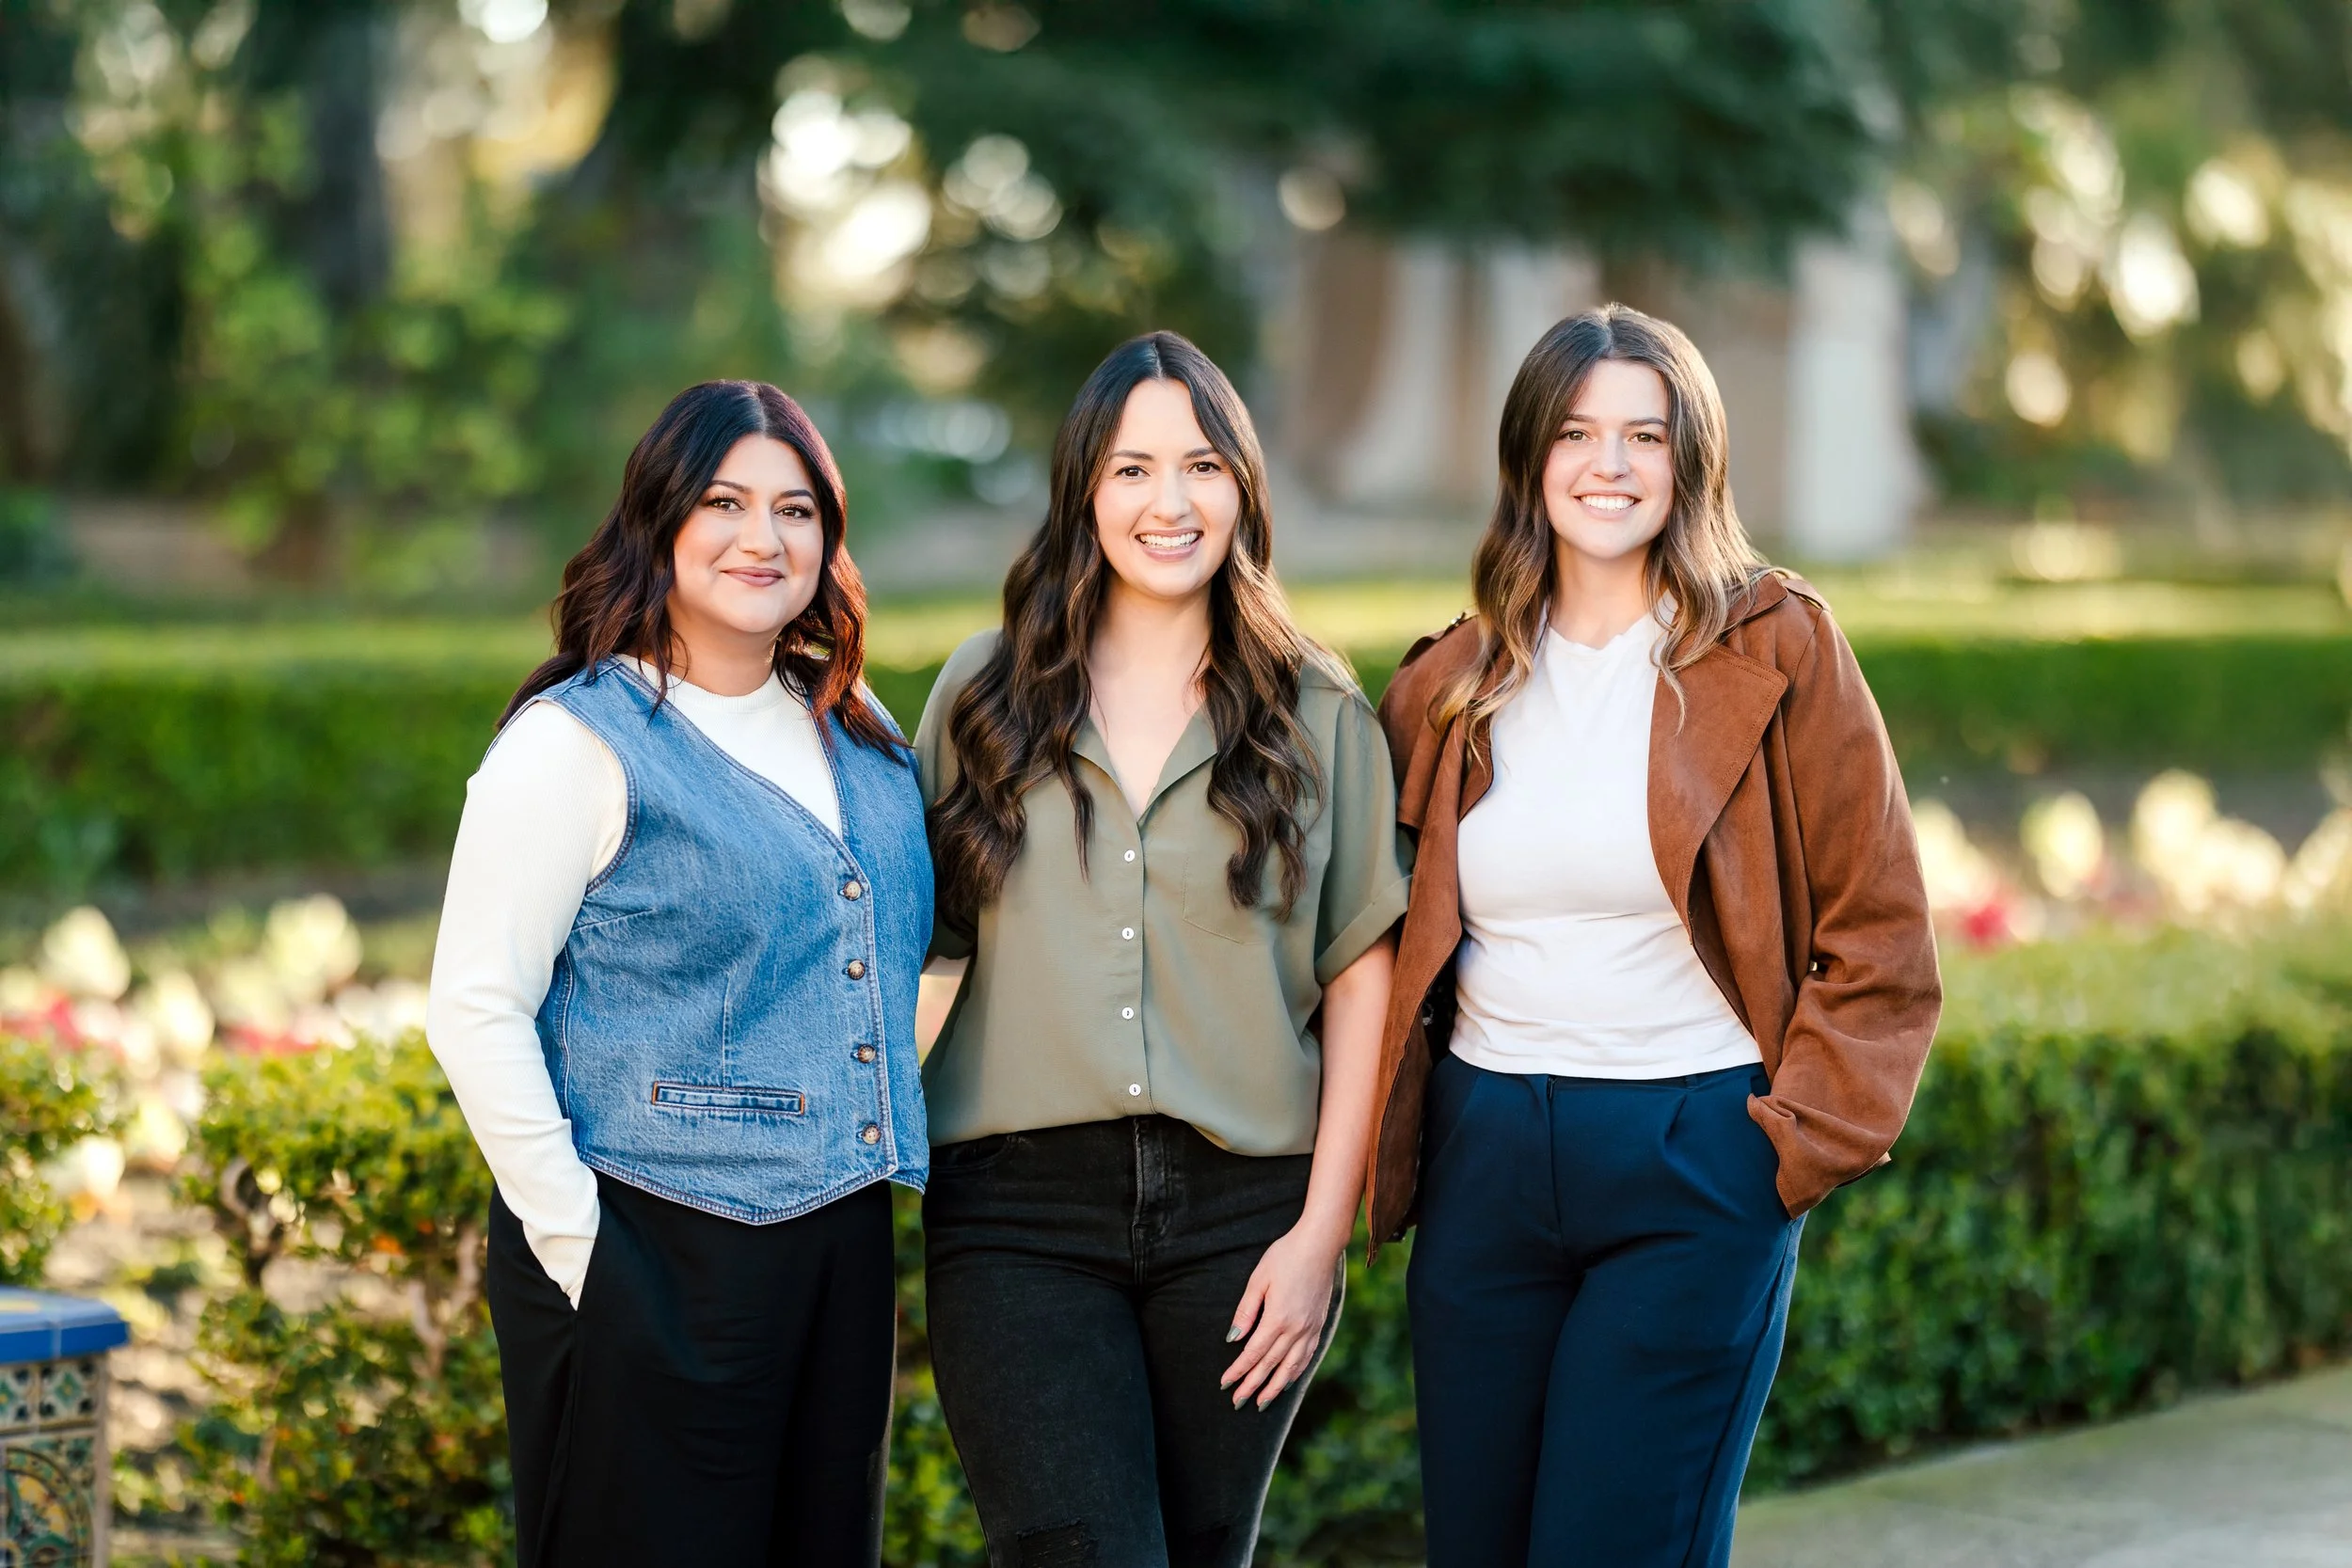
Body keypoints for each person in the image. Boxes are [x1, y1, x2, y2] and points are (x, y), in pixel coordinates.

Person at [1370, 305, 1942, 1567]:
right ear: (1531, 459)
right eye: (1577, 432)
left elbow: (1882, 934)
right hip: (1488, 1159)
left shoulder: (1780, 647)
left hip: (1695, 1159)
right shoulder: (1449, 685)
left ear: (1694, 462)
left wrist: (1782, 1158)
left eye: (1647, 434)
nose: (1611, 464)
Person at [914, 330, 1407, 1568]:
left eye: (1201, 465)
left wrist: (1318, 1236)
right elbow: (917, 948)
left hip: (1245, 1222)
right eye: (1133, 469)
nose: (1169, 501)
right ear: (1084, 490)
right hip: (1017, 1218)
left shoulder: (1321, 714)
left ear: (1244, 486)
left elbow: (1362, 979)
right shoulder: (979, 698)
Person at [424, 380, 930, 1568]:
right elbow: (473, 1004)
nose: (765, 538)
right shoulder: (575, 739)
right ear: (659, 519)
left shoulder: (862, 730)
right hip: (649, 1239)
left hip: (838, 1249)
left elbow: (909, 951)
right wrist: (584, 1248)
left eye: (797, 510)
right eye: (725, 502)